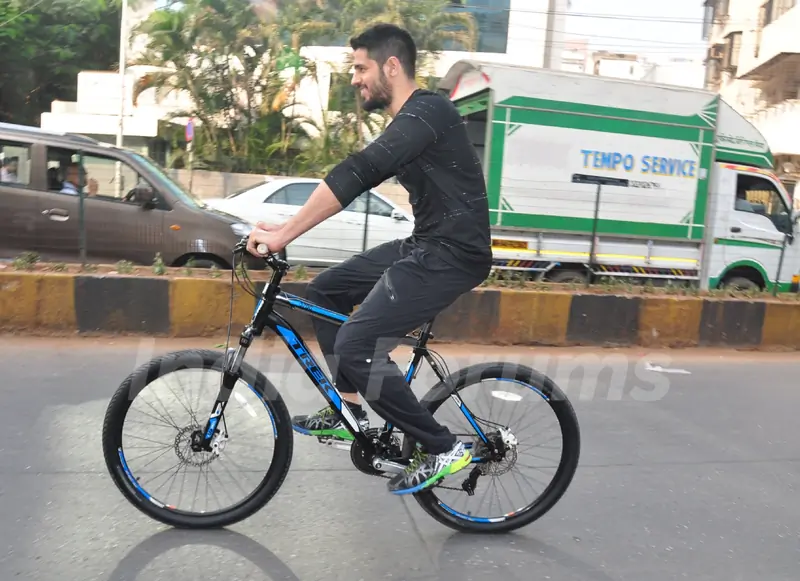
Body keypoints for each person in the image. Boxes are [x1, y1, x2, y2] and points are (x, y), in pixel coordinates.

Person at [247, 23, 493, 495]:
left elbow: (359, 171)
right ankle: (349, 408)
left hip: (454, 254)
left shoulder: (430, 112)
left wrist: (284, 235)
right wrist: (282, 230)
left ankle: (440, 447)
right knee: (326, 291)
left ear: (392, 66)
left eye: (361, 68)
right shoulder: (410, 121)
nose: (355, 79)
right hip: (427, 242)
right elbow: (358, 173)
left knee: (359, 345)